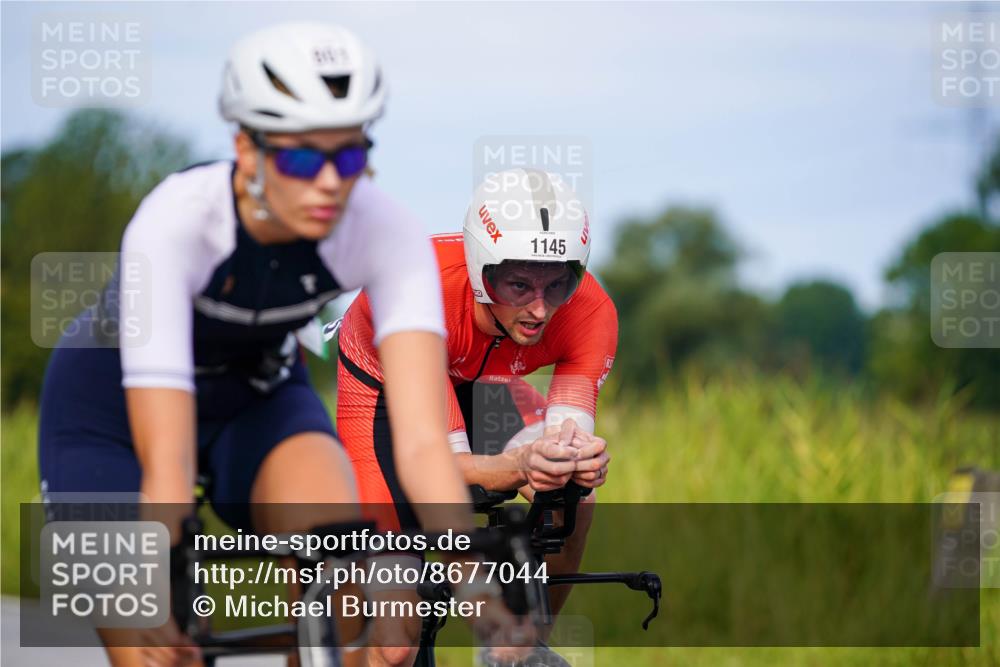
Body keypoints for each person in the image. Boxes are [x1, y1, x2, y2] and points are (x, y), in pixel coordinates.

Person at [38, 22, 523, 667]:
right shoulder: (175, 222)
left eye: (349, 156)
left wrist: (472, 580)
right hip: (110, 413)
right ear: (246, 148)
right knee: (151, 644)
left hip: (256, 394)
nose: (330, 182)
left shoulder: (385, 229)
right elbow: (168, 465)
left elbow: (421, 443)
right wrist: (161, 572)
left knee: (350, 594)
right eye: (301, 158)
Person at [337, 167, 618, 642]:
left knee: (573, 497)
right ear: (480, 271)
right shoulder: (419, 289)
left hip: (482, 379)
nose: (540, 309)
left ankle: (524, 647)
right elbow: (440, 464)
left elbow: (565, 438)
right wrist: (519, 464)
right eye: (518, 285)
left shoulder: (590, 311)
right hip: (384, 387)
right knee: (393, 644)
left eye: (557, 285)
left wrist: (573, 461)